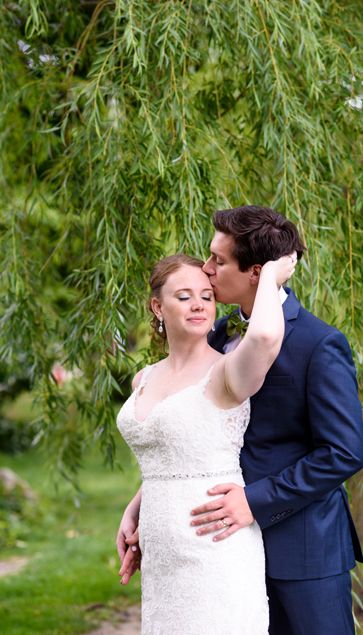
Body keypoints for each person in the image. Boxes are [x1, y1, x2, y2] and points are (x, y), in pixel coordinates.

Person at [117, 206, 363, 635]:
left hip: (301, 548)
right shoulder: (216, 337)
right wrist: (143, 502)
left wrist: (254, 501)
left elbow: (343, 453)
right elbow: (197, 437)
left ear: (256, 272)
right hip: (217, 547)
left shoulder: (318, 342)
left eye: (218, 260)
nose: (207, 270)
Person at [116, 251, 296, 634]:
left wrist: (270, 277)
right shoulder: (142, 378)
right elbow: (170, 455)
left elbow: (264, 335)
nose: (198, 304)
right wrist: (137, 506)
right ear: (157, 306)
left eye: (207, 296)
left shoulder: (226, 372)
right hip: (161, 556)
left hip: (215, 543)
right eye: (183, 296)